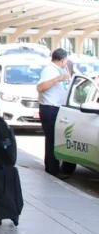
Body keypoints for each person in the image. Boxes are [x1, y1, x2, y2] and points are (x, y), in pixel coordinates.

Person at [38, 48, 72, 179]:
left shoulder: (60, 69)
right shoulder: (49, 70)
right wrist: (57, 79)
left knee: (57, 138)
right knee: (52, 139)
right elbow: (40, 87)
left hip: (58, 108)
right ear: (63, 60)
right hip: (49, 108)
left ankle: (58, 166)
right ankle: (52, 169)